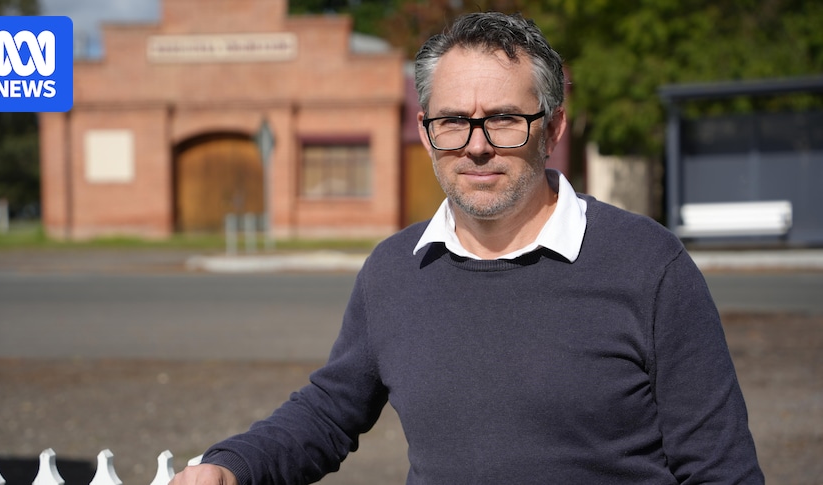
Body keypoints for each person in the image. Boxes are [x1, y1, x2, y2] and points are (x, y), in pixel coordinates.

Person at [171, 12, 764, 484]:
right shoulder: (394, 272)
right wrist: (233, 466)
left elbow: (720, 470)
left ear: (554, 129)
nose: (476, 146)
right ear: (427, 130)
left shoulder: (649, 266)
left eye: (504, 120)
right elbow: (328, 413)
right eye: (453, 121)